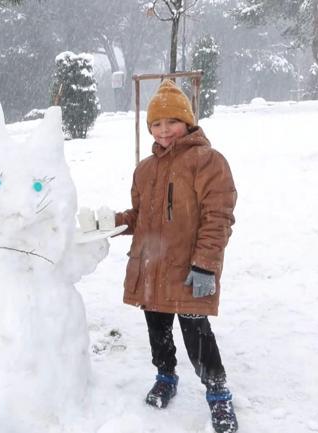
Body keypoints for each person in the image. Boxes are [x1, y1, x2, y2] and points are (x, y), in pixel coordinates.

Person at [105, 80, 238, 432]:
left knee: (197, 333)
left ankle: (218, 393)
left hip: (189, 267)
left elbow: (218, 217)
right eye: (157, 124)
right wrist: (113, 223)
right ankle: (165, 376)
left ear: (188, 122)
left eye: (172, 122)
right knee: (158, 329)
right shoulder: (145, 169)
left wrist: (205, 265)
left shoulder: (208, 161)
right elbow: (142, 217)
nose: (164, 131)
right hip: (152, 265)